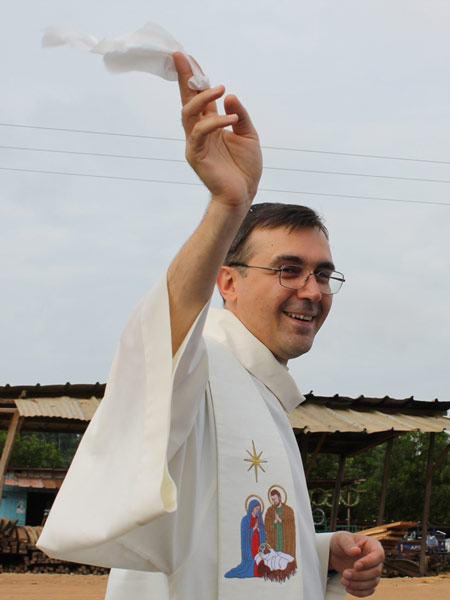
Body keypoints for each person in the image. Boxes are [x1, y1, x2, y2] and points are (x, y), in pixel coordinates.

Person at [37, 52, 384, 599]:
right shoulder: (199, 369)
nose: (312, 291)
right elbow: (160, 337)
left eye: (323, 274)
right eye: (288, 270)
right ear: (228, 282)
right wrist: (227, 204)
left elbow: (214, 541)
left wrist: (322, 552)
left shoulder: (263, 393)